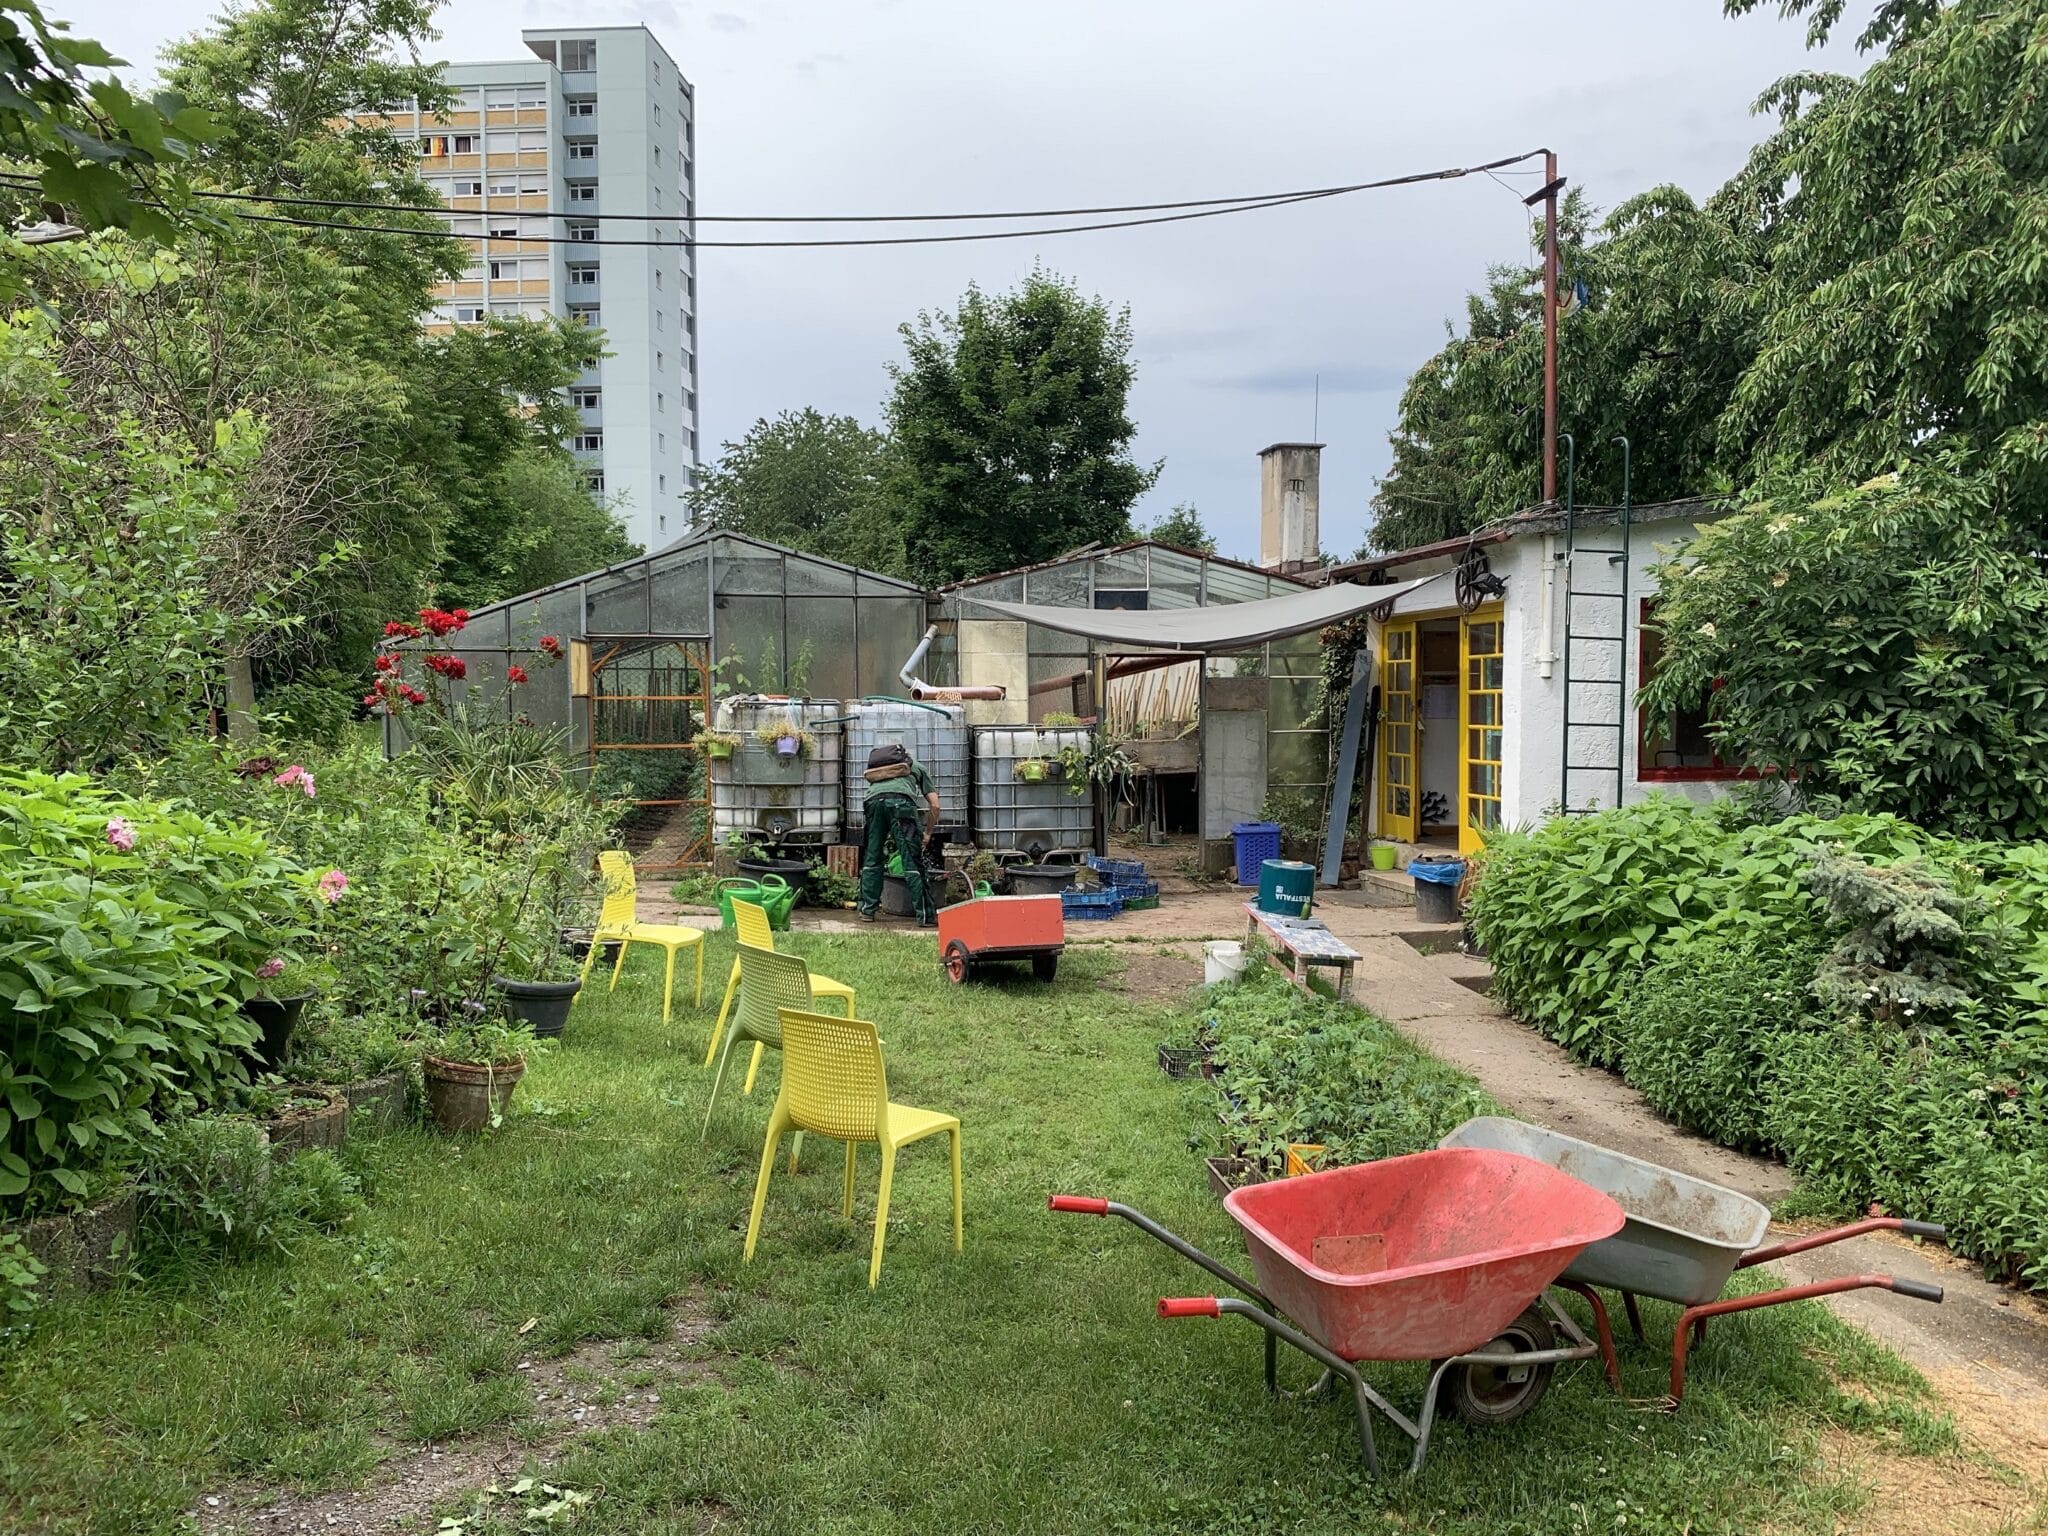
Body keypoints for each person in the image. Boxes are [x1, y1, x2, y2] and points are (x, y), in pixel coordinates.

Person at [856, 742, 941, 925]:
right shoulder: (916, 766)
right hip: (901, 803)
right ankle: (925, 916)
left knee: (872, 857)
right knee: (911, 860)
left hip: (872, 802)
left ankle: (867, 911)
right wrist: (927, 833)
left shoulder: (881, 768)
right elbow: (935, 804)